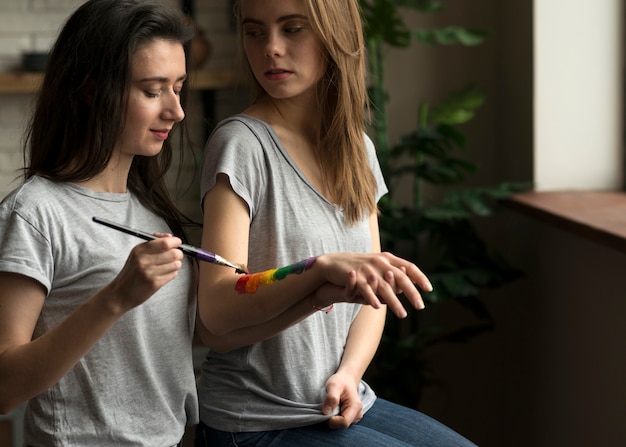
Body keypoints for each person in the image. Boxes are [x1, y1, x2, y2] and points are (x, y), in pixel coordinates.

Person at [193, 0, 477, 446]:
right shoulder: (240, 144)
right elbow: (216, 306)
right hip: (253, 423)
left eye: (292, 29)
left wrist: (349, 374)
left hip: (341, 399)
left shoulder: (356, 149)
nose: (271, 48)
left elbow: (372, 292)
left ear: (334, 35)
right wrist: (317, 270)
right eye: (254, 32)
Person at [0, 0, 199, 445]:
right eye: (153, 91)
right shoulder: (35, 214)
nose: (176, 111)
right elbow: (4, 386)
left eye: (179, 88)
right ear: (92, 91)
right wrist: (115, 297)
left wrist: (306, 285)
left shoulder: (154, 213)